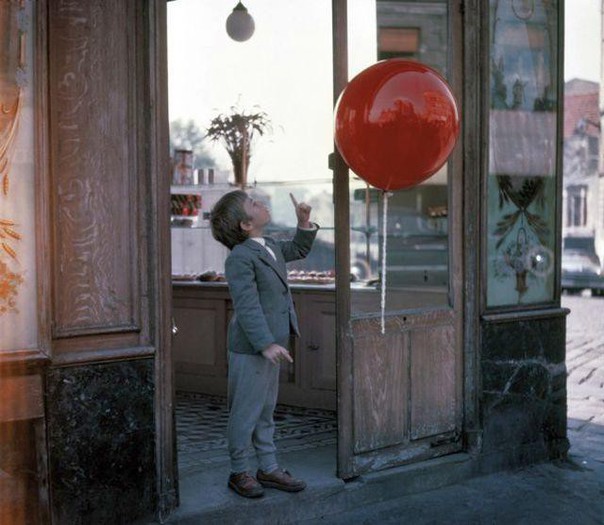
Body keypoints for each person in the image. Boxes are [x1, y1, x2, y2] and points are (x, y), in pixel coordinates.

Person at [210, 189, 318, 499]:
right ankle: (239, 471)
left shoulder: (269, 245)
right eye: (253, 203)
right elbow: (246, 306)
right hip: (253, 348)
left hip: (272, 346)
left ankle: (268, 468)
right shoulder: (240, 258)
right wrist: (265, 344)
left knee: (266, 410)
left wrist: (303, 222)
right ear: (246, 224)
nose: (261, 203)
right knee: (245, 412)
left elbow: (298, 248)